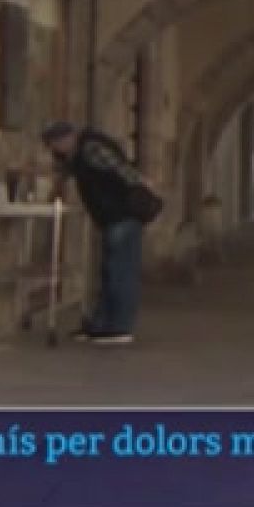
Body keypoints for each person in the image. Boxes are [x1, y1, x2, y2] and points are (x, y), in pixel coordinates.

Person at [42, 121, 158, 345]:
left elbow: (119, 169)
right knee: (109, 272)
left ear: (65, 139)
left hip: (122, 214)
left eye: (54, 145)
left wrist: (142, 183)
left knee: (120, 271)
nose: (55, 151)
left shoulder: (91, 148)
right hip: (111, 217)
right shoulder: (79, 154)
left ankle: (120, 326)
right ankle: (101, 324)